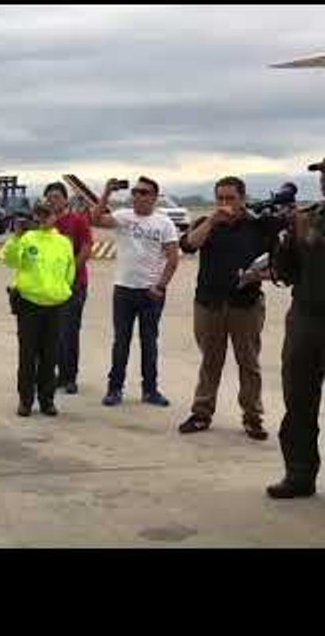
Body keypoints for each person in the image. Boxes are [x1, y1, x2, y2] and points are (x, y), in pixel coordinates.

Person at [177, 176, 283, 440]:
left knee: (248, 363)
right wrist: (212, 221)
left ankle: (252, 417)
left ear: (243, 199)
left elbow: (280, 265)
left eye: (230, 198)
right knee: (210, 361)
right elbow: (189, 245)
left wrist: (258, 276)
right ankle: (202, 412)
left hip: (245, 305)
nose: (225, 204)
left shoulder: (258, 227)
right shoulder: (207, 223)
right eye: (220, 198)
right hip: (209, 304)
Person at [91, 176, 179, 407]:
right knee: (121, 341)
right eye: (136, 192)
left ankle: (150, 390)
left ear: (154, 196)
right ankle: (114, 388)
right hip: (124, 289)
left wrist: (161, 285)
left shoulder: (164, 223)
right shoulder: (123, 217)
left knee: (149, 342)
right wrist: (107, 192)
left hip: (151, 292)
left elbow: (172, 257)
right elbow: (96, 219)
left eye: (144, 192)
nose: (138, 196)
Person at [266, 158, 325, 498]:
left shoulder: (313, 224)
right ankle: (299, 474)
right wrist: (286, 241)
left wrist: (311, 236)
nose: (324, 180)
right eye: (322, 174)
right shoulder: (308, 217)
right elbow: (287, 274)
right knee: (298, 400)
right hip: (305, 319)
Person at [0, 201, 75, 417]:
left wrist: (63, 289)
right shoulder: (27, 238)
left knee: (50, 356)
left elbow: (69, 270)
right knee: (27, 356)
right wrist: (16, 237)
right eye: (39, 214)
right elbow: (10, 261)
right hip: (29, 304)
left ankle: (47, 400)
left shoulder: (63, 242)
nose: (43, 218)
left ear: (55, 216)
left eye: (47, 214)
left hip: (55, 305)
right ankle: (25, 401)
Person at [44, 181, 93, 394]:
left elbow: (86, 247)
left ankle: (70, 377)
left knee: (70, 332)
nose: (52, 201)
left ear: (65, 199)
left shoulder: (77, 221)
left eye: (56, 196)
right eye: (49, 198)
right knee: (53, 332)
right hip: (50, 286)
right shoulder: (45, 225)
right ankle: (57, 375)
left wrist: (71, 273)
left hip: (74, 285)